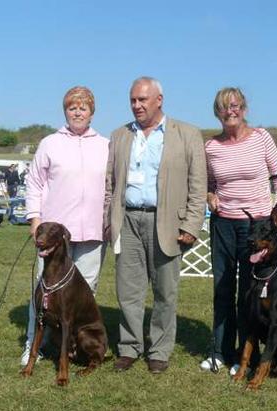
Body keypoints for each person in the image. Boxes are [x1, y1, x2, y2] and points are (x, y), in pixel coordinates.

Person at [104, 76, 207, 374]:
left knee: (165, 292)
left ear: (159, 100)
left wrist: (191, 224)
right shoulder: (119, 135)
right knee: (128, 292)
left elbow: (198, 185)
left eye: (142, 100)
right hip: (127, 221)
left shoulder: (187, 134)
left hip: (167, 223)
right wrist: (110, 219)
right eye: (133, 100)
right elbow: (110, 183)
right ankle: (129, 347)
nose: (137, 105)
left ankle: (159, 350)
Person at [199, 87, 277, 374]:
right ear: (217, 113)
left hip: (257, 226)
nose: (230, 111)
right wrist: (209, 195)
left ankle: (244, 356)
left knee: (249, 292)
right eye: (224, 107)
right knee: (222, 288)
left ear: (244, 109)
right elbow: (208, 182)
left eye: (235, 105)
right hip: (223, 224)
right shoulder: (210, 147)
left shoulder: (262, 138)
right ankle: (219, 352)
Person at [21, 86, 109, 366]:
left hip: (93, 232)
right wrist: (35, 218)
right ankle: (34, 345)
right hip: (55, 236)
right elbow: (34, 182)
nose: (78, 112)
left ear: (92, 112)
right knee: (45, 295)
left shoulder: (105, 145)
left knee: (85, 292)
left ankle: (72, 347)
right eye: (72, 108)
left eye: (83, 108)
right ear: (65, 112)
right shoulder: (50, 143)